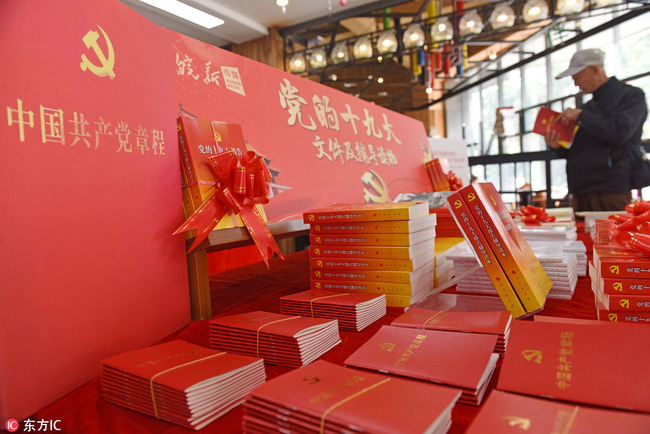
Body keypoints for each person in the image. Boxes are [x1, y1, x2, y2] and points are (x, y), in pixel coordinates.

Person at [545, 48, 648, 212]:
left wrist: (581, 116)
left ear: (595, 70)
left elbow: (620, 132)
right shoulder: (587, 108)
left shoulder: (631, 96)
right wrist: (558, 147)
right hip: (581, 188)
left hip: (611, 187)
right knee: (582, 235)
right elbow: (578, 149)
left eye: (577, 77)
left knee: (613, 234)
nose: (576, 83)